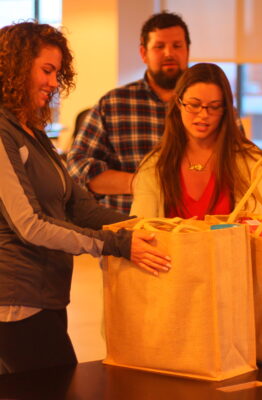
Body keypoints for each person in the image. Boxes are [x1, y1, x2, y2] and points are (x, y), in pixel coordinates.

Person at [0, 21, 171, 375]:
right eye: (46, 70)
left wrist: (146, 225)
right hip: (15, 301)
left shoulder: (33, 133)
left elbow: (80, 206)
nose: (53, 83)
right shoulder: (3, 133)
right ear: (16, 68)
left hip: (45, 296)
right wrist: (116, 244)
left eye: (57, 73)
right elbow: (30, 225)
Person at [67, 11, 191, 214]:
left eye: (177, 46)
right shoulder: (113, 104)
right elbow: (77, 167)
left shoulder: (208, 104)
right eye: (159, 46)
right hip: (125, 229)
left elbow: (237, 166)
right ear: (144, 53)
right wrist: (140, 183)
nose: (169, 53)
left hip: (195, 227)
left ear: (187, 50)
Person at [130, 63, 262, 219]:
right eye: (194, 105)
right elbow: (141, 228)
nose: (203, 114)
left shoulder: (249, 161)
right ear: (178, 104)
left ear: (225, 110)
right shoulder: (154, 165)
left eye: (214, 107)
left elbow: (252, 229)